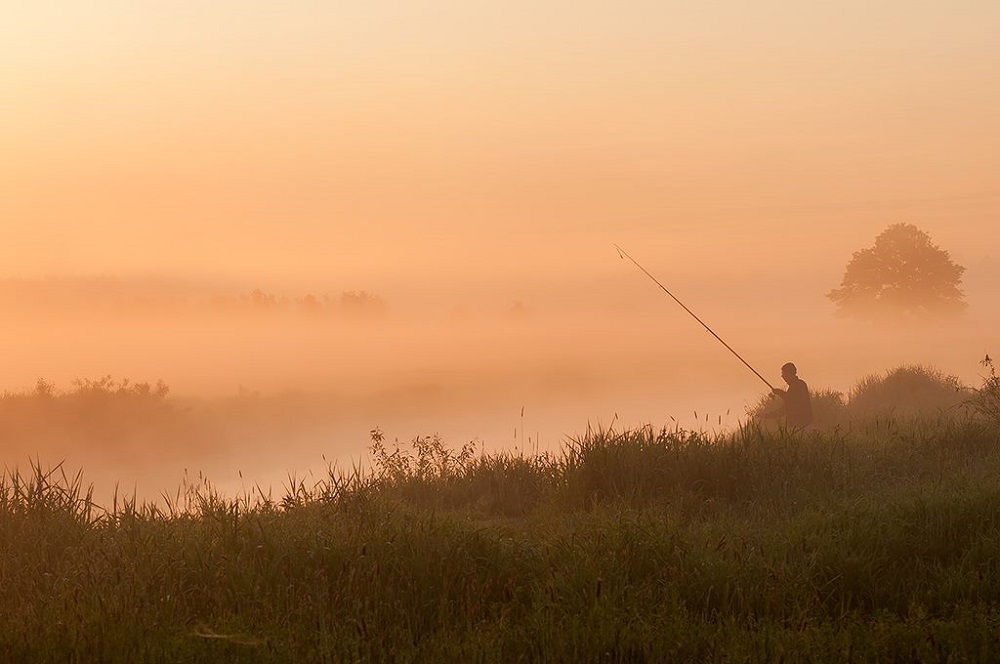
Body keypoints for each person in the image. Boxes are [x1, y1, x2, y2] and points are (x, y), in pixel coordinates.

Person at [769, 362, 813, 429]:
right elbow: (788, 403)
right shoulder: (798, 385)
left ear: (789, 374)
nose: (782, 376)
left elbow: (790, 401)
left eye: (783, 374)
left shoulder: (798, 385)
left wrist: (779, 392)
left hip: (801, 425)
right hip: (801, 424)